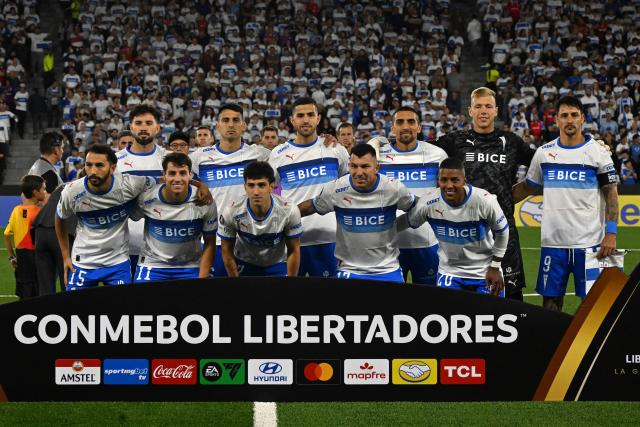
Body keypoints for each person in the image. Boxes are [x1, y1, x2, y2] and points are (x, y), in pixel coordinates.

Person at [513, 96, 619, 311]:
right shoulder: (544, 153)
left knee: (593, 306)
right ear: (557, 121)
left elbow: (611, 195)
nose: (569, 120)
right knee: (550, 304)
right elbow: (528, 187)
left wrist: (611, 234)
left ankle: (589, 345)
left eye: (574, 115)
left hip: (590, 244)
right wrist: (494, 201)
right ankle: (552, 344)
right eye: (564, 116)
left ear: (582, 119)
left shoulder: (598, 153)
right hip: (553, 243)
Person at [434, 87, 536, 300]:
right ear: (470, 110)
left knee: (512, 299)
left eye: (488, 106)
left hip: (504, 231)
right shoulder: (453, 142)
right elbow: (418, 154)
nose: (483, 111)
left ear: (496, 111)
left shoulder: (512, 142)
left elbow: (544, 162)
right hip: (465, 233)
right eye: (478, 106)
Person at [298, 144, 416, 282]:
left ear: (377, 168)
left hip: (388, 270)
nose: (359, 172)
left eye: (365, 166)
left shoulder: (394, 188)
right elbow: (309, 207)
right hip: (349, 270)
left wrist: (404, 223)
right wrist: (285, 217)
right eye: (354, 166)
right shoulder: (336, 189)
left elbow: (418, 207)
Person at [402, 158, 509, 296]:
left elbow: (503, 232)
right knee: (449, 317)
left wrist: (495, 267)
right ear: (438, 181)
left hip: (485, 272)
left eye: (454, 180)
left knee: (490, 316)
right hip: (450, 272)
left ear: (464, 180)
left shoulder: (485, 201)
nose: (449, 185)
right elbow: (406, 222)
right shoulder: (428, 203)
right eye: (444, 180)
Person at [269, 97, 350, 278]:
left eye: (310, 115)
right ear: (292, 120)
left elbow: (348, 187)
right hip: (291, 239)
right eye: (300, 115)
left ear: (318, 118)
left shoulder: (336, 149)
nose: (305, 120)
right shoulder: (278, 154)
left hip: (330, 239)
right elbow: (268, 191)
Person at [55, 144, 156, 289]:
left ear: (113, 168)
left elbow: (157, 184)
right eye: (88, 165)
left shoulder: (130, 184)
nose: (93, 171)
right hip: (83, 262)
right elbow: (59, 218)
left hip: (117, 263)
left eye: (99, 165)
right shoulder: (72, 191)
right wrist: (65, 256)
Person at [190, 103, 271, 277]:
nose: (231, 124)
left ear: (244, 125)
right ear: (217, 125)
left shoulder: (260, 155)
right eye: (225, 120)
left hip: (251, 239)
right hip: (214, 240)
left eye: (236, 120)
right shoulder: (199, 158)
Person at [371, 106, 448, 285]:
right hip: (388, 245)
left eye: (411, 122)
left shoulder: (436, 155)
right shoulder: (378, 155)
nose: (405, 126)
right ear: (392, 127)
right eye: (400, 122)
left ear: (419, 127)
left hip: (427, 243)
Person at [131, 152, 218, 282]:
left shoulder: (203, 200)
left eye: (182, 173)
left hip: (191, 265)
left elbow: (210, 242)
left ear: (190, 175)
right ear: (164, 175)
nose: (177, 179)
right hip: (153, 264)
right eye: (172, 173)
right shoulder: (147, 198)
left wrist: (203, 277)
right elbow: (132, 216)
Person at [218, 161, 302, 277]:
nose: (256, 192)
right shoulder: (231, 211)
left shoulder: (289, 210)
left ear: (271, 186)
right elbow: (226, 251)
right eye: (251, 185)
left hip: (277, 265)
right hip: (245, 264)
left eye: (261, 185)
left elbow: (294, 249)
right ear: (245, 187)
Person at [116, 105, 167, 275]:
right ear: (131, 127)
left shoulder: (169, 160)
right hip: (122, 247)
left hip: (162, 247)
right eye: (138, 123)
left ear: (157, 128)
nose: (143, 127)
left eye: (148, 123)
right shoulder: (115, 162)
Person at [3, 175, 46, 299]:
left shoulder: (16, 211)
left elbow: (6, 235)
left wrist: (12, 257)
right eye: (43, 189)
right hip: (38, 262)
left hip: (22, 261)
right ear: (35, 192)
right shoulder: (41, 212)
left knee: (24, 298)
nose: (45, 192)